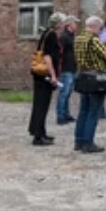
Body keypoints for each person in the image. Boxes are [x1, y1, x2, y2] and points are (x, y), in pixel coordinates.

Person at [73, 15, 106, 154]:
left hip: (83, 74)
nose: (100, 30)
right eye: (100, 28)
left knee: (83, 109)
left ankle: (79, 140)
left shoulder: (78, 38)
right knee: (94, 110)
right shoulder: (93, 39)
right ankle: (88, 142)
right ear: (95, 26)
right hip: (96, 76)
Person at [28, 13, 64, 146]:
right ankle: (38, 136)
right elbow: (47, 56)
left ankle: (41, 131)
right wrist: (53, 75)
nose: (63, 25)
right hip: (44, 75)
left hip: (40, 75)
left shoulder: (46, 33)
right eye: (62, 22)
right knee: (41, 105)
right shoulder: (51, 35)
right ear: (58, 24)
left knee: (41, 104)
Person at [56, 14, 79, 125]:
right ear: (69, 24)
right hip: (66, 68)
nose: (76, 25)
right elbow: (59, 52)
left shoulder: (72, 36)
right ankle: (60, 115)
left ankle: (66, 113)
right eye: (75, 23)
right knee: (64, 93)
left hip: (72, 67)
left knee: (68, 92)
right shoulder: (64, 37)